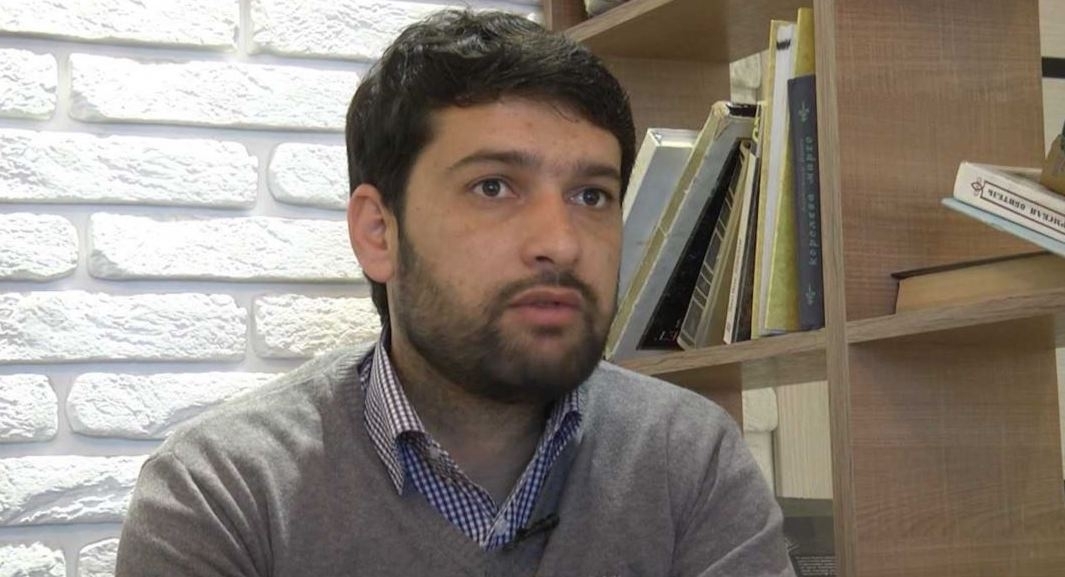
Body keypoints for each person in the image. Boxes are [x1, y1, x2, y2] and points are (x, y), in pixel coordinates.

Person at [115, 10, 793, 577]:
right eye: (493, 186)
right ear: (378, 231)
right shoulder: (226, 491)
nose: (561, 243)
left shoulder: (686, 457)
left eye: (591, 195)